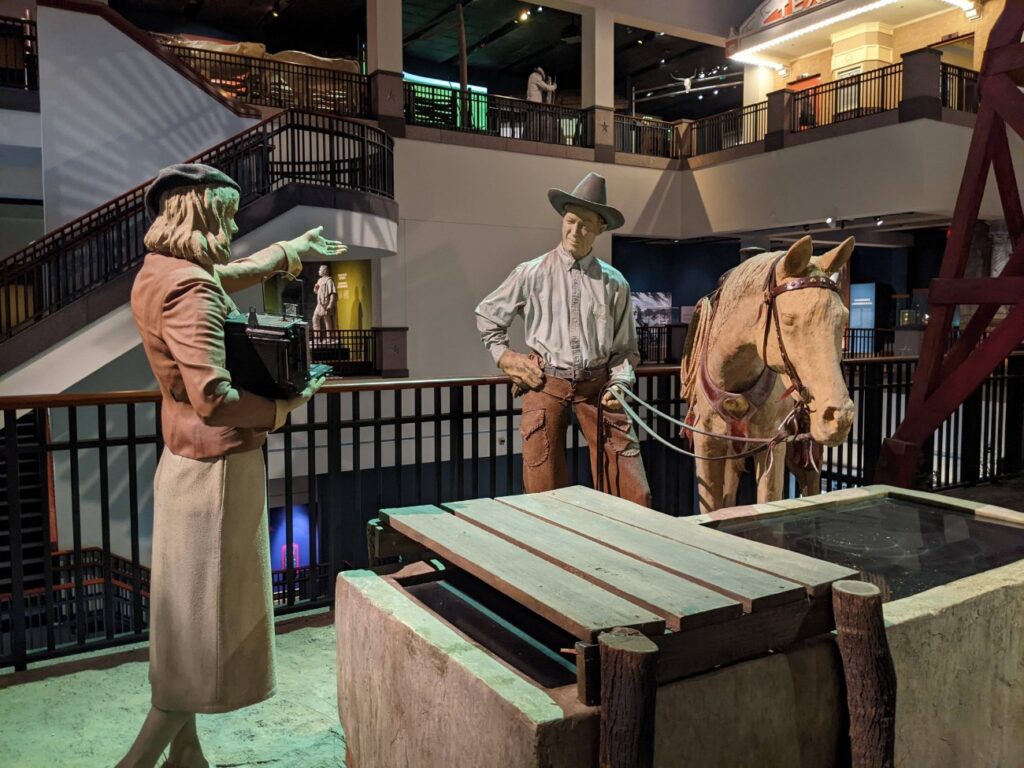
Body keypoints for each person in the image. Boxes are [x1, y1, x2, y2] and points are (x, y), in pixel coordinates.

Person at [118, 163, 346, 768]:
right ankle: (141, 760)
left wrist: (285, 253)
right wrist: (284, 406)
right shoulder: (190, 288)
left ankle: (185, 756)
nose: (232, 222)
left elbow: (222, 273)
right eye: (225, 211)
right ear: (200, 211)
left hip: (183, 465)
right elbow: (214, 400)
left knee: (184, 617)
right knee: (207, 624)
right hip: (216, 474)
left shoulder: (159, 272)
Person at [475, 172, 652, 506]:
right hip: (546, 386)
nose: (575, 231)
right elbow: (487, 315)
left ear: (600, 228)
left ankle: (628, 552)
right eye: (570, 221)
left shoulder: (615, 284)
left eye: (585, 224)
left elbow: (626, 350)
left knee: (633, 491)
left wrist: (621, 383)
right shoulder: (531, 272)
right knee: (543, 492)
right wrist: (507, 358)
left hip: (599, 389)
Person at [312, 264, 338, 332]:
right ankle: (317, 338)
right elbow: (317, 292)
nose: (318, 271)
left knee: (327, 321)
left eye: (320, 270)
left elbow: (333, 294)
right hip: (319, 304)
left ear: (324, 271)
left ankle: (329, 338)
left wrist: (330, 305)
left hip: (326, 304)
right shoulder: (319, 280)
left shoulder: (329, 281)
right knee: (315, 318)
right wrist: (315, 288)